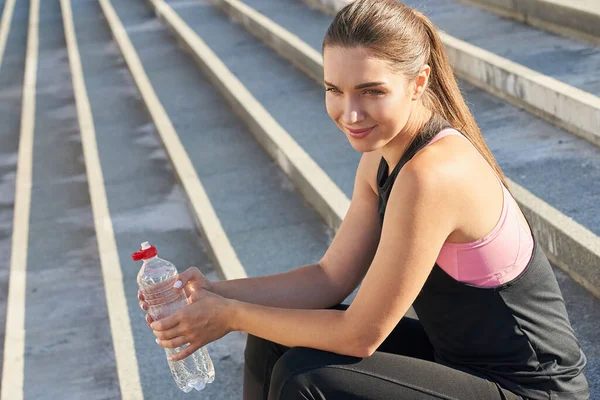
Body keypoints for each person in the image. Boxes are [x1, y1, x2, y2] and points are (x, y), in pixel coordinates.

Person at [138, 0, 589, 398]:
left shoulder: (432, 175)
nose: (350, 114)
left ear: (418, 83)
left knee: (308, 378)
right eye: (335, 90)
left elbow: (362, 336)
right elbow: (328, 277)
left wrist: (231, 315)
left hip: (527, 389)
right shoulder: (383, 159)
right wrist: (215, 293)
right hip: (458, 364)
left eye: (371, 91)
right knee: (274, 336)